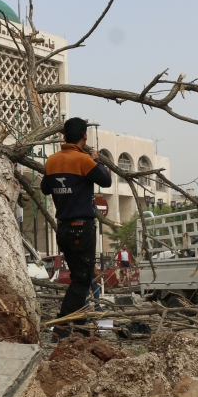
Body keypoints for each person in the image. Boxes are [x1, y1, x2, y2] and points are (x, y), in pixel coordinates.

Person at [41, 117, 112, 338]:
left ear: (63, 136)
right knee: (82, 280)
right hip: (82, 228)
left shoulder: (52, 161)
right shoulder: (84, 160)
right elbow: (106, 181)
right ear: (84, 136)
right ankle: (61, 327)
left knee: (80, 276)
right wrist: (97, 160)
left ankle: (81, 329)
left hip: (63, 230)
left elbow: (45, 188)